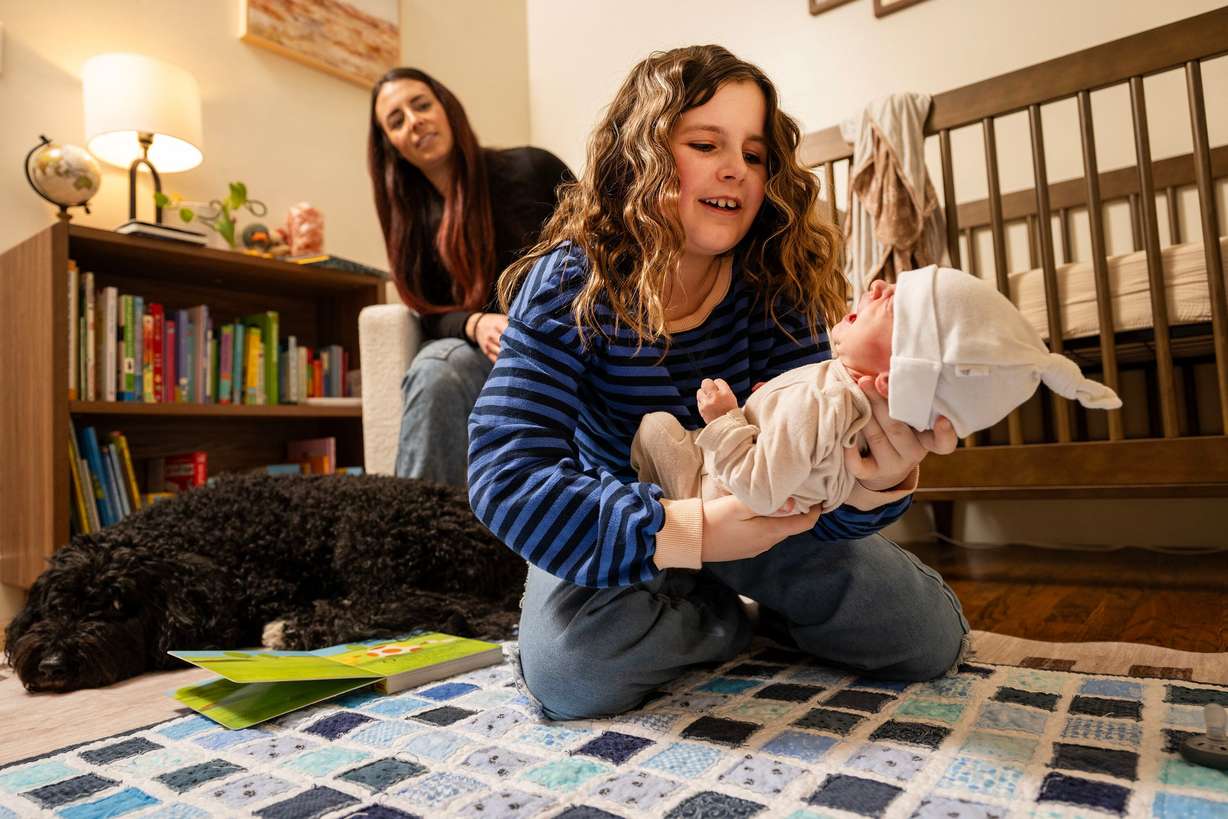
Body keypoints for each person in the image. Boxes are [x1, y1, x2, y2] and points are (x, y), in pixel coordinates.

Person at [468, 45, 965, 721]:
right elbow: (507, 471)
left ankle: (735, 606)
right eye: (705, 142)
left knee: (925, 636)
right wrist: (692, 532)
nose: (735, 166)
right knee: (572, 672)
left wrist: (875, 480)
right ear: (639, 155)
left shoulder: (777, 287)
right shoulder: (567, 283)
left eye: (755, 155)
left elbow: (821, 484)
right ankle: (719, 619)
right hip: (622, 527)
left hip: (765, 518)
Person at [632, 267, 1122, 518]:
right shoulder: (841, 407)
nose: (879, 284)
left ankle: (665, 536)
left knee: (654, 430)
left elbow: (759, 487)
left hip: (711, 490)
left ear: (892, 379)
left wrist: (725, 419)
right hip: (745, 493)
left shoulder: (823, 402)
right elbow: (813, 475)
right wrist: (767, 406)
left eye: (894, 305)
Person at [368, 67, 572, 485]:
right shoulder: (412, 221)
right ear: (391, 146)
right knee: (437, 369)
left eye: (421, 105)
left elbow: (602, 244)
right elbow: (427, 312)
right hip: (487, 362)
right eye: (396, 120)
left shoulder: (531, 169)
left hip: (561, 350)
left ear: (447, 108)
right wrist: (475, 323)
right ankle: (413, 533)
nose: (414, 121)